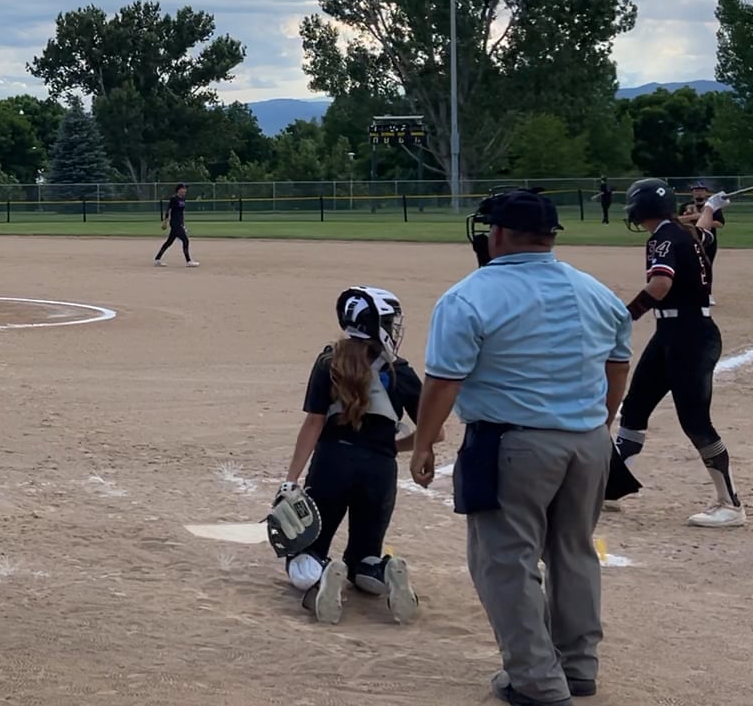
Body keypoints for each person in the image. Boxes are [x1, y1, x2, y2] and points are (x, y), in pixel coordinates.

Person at [410, 188, 631, 705]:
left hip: (512, 444)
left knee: (505, 561)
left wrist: (423, 443)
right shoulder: (596, 291)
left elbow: (443, 381)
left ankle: (536, 680)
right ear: (550, 236)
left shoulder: (470, 296)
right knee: (574, 552)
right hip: (588, 443)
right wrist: (600, 422)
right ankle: (578, 666)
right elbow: (617, 367)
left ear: (499, 234)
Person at [277, 286, 423, 625]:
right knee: (365, 555)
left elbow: (314, 422)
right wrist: (392, 447)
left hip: (332, 464)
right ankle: (383, 571)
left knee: (307, 550)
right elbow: (434, 432)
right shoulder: (400, 371)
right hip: (380, 470)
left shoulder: (330, 362)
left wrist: (291, 479)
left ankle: (321, 574)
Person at [607, 178, 743, 527]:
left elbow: (660, 284)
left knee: (695, 420)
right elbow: (705, 231)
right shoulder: (687, 233)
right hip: (675, 333)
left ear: (640, 210)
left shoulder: (663, 238)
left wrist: (625, 316)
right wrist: (711, 206)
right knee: (635, 407)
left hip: (689, 337)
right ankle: (610, 488)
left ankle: (730, 505)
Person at [153, 183, 197, 267]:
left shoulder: (183, 199)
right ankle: (188, 261)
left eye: (185, 188)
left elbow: (182, 212)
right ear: (179, 190)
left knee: (169, 242)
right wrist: (165, 222)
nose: (185, 190)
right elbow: (169, 210)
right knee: (185, 240)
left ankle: (157, 259)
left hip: (179, 223)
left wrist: (183, 224)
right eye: (183, 188)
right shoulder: (174, 199)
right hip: (174, 223)